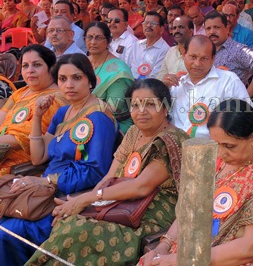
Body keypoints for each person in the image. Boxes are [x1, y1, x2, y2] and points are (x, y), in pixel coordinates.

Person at [27, 78, 188, 265]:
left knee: (79, 231)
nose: (141, 111)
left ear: (165, 108)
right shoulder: (134, 132)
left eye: (150, 104)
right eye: (135, 105)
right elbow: (110, 176)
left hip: (150, 211)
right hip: (118, 201)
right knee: (68, 221)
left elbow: (141, 187)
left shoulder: (171, 140)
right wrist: (82, 204)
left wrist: (87, 198)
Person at [140, 99, 253, 265]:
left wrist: (177, 260)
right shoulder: (220, 163)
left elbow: (249, 248)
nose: (220, 153)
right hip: (190, 255)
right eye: (216, 144)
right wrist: (163, 247)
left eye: (229, 146)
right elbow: (190, 209)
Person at [0, 53, 118, 265]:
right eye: (63, 79)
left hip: (68, 196)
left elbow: (95, 171)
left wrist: (47, 181)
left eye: (76, 78)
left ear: (90, 81)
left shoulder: (98, 117)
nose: (69, 85)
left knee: (8, 232)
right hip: (43, 189)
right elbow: (39, 157)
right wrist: (37, 116)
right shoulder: (64, 112)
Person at [0, 45, 66, 175]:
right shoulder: (21, 92)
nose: (30, 70)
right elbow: (1, 116)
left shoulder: (54, 99)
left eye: (37, 65)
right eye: (25, 66)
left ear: (51, 68)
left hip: (19, 163)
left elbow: (23, 138)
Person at [168, 35, 250, 138]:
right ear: (184, 54)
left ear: (213, 59)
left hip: (213, 147)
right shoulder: (176, 84)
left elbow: (247, 118)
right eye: (193, 57)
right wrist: (162, 90)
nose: (197, 63)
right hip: (176, 146)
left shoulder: (228, 81)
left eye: (204, 58)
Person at [206, 12, 253, 97]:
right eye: (208, 28)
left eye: (216, 27)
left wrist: (244, 97)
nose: (212, 32)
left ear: (227, 28)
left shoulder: (237, 50)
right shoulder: (205, 51)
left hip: (228, 105)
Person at [85, 21, 134, 133]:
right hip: (82, 116)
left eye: (98, 38)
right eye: (89, 37)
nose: (93, 42)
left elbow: (115, 108)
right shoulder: (82, 63)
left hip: (111, 124)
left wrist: (84, 102)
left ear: (108, 40)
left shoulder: (119, 70)